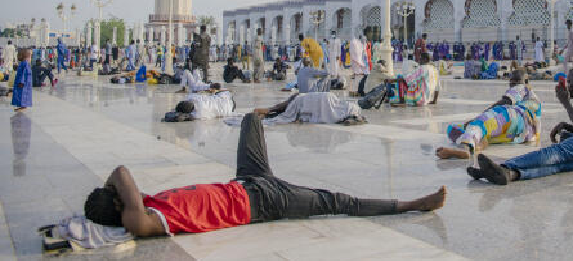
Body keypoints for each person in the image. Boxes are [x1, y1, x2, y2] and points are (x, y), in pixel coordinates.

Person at [83, 113, 446, 236]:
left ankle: (278, 109)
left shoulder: (145, 208)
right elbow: (121, 171)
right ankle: (412, 204)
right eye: (121, 198)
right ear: (120, 205)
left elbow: (124, 181)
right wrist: (113, 190)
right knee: (337, 202)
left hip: (246, 181)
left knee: (252, 120)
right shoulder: (139, 221)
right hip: (263, 202)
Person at [468, 65, 573, 185]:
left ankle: (505, 166)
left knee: (556, 152)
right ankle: (510, 174)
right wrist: (566, 126)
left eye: (571, 82)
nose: (568, 86)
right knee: (559, 165)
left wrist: (566, 103)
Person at [436, 70, 541, 160]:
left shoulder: (524, 88)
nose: (513, 85)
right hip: (521, 135)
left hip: (515, 117)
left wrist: (482, 115)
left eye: (516, 81)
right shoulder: (534, 100)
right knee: (455, 129)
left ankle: (465, 148)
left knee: (479, 123)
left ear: (526, 82)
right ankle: (479, 145)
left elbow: (507, 100)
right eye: (511, 82)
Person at [254, 92, 363, 125]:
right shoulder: (349, 109)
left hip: (312, 98)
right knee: (286, 112)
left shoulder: (345, 106)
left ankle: (268, 111)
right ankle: (267, 112)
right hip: (314, 100)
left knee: (286, 107)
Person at [12, 48, 33, 112]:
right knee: (21, 94)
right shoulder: (23, 63)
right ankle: (22, 105)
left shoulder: (24, 64)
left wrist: (21, 82)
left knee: (23, 94)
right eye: (29, 57)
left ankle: (24, 106)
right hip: (23, 82)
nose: (30, 59)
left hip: (24, 82)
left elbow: (24, 74)